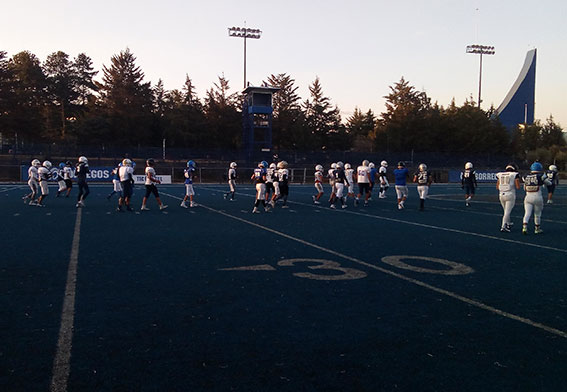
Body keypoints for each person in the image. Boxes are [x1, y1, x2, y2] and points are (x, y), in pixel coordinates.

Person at [522, 162, 552, 234]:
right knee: (537, 214)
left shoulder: (526, 176)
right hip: (537, 196)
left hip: (528, 197)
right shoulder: (541, 176)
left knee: (527, 213)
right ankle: (537, 228)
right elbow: (549, 183)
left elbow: (524, 187)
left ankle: (524, 227)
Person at [496, 163, 521, 232]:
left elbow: (497, 187)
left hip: (501, 194)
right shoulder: (514, 174)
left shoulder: (500, 174)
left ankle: (508, 223)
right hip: (510, 194)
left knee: (506, 211)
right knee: (507, 212)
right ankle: (503, 226)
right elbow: (518, 187)